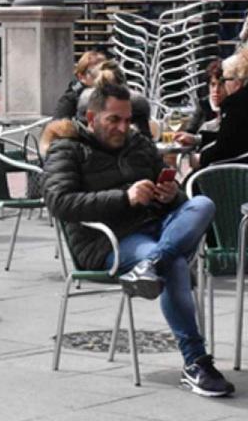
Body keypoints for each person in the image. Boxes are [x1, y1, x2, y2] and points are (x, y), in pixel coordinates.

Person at [43, 82, 234, 398]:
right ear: (92, 118)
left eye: (127, 119)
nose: (122, 127)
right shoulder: (67, 148)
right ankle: (196, 362)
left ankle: (151, 264)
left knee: (202, 204)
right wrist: (124, 198)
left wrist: (171, 195)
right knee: (174, 263)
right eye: (113, 120)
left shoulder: (138, 144)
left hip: (155, 231)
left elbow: (173, 196)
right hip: (107, 242)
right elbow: (59, 202)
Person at [75, 60, 154, 138]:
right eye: (113, 120)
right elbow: (145, 138)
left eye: (127, 120)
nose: (121, 129)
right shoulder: (137, 103)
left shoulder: (84, 100)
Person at [173, 59, 224, 149]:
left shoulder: (232, 107)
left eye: (221, 85)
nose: (216, 90)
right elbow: (191, 130)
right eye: (213, 85)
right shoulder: (203, 105)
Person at [54, 50, 106, 120]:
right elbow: (57, 128)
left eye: (105, 72)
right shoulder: (69, 99)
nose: (101, 77)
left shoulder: (111, 96)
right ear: (81, 76)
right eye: (95, 73)